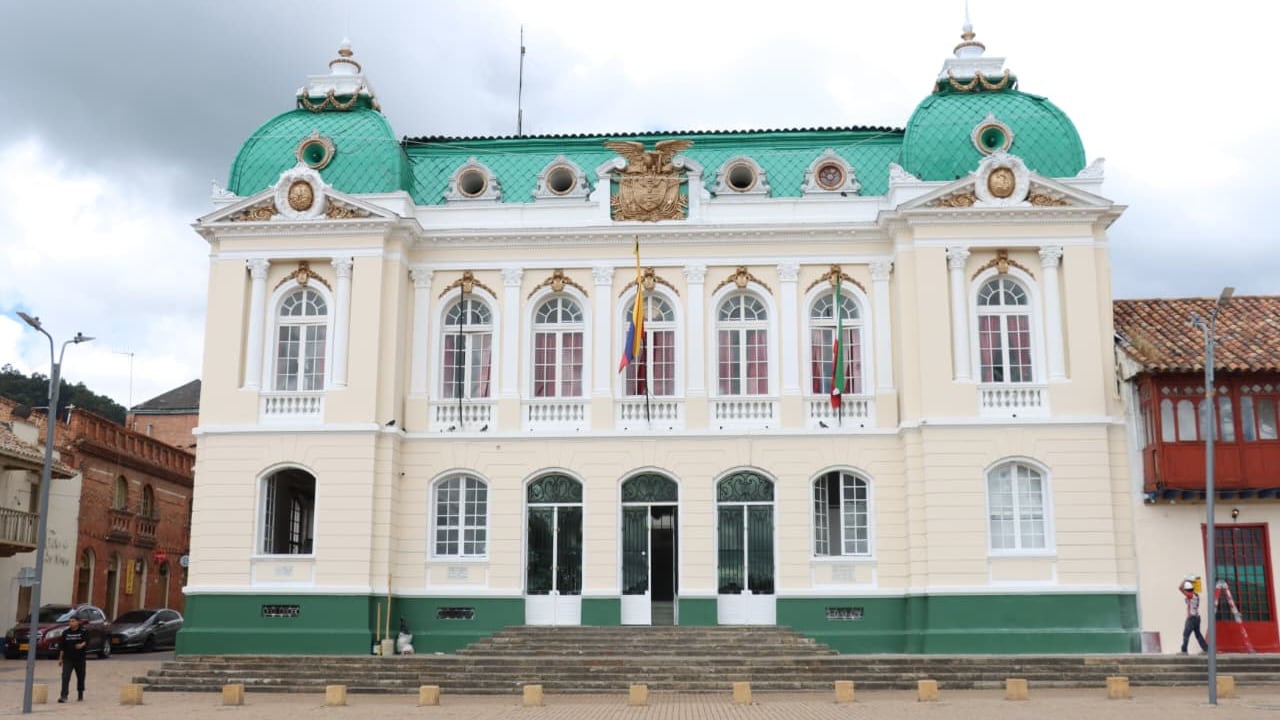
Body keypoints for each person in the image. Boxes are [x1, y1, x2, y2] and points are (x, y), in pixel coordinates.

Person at [57, 615, 88, 702]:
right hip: (68, 658)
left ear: (78, 622)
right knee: (65, 676)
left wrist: (81, 645)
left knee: (80, 676)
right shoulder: (66, 632)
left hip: (80, 658)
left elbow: (87, 641)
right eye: (70, 621)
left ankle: (80, 693)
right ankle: (64, 696)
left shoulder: (83, 631)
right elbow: (62, 647)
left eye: (73, 621)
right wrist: (60, 659)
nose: (71, 623)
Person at [1179, 576, 1209, 654]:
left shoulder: (1190, 596)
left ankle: (1184, 651)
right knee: (1198, 634)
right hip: (1197, 617)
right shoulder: (1196, 595)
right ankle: (1206, 649)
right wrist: (1191, 581)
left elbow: (1180, 588)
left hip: (1191, 618)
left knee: (1186, 634)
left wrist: (1185, 579)